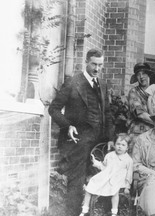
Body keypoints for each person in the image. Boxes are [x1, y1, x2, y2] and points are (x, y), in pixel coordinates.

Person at [48, 49, 114, 215]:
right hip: (78, 141)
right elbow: (54, 109)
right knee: (76, 183)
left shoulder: (102, 85)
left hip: (99, 141)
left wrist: (111, 138)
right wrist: (67, 126)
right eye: (94, 64)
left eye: (100, 65)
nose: (97, 68)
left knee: (102, 180)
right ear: (86, 62)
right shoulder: (73, 83)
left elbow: (107, 113)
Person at [79, 134, 133, 216]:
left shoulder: (128, 160)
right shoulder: (109, 155)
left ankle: (114, 212)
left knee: (115, 190)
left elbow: (129, 173)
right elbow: (104, 168)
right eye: (118, 144)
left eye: (123, 145)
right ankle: (85, 209)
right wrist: (96, 163)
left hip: (119, 180)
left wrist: (127, 186)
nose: (120, 147)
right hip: (107, 177)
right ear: (114, 145)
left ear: (127, 148)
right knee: (91, 184)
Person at [126, 62, 155, 154]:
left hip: (154, 135)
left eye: (144, 73)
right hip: (137, 134)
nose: (142, 77)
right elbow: (140, 114)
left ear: (149, 75)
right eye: (139, 74)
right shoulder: (133, 92)